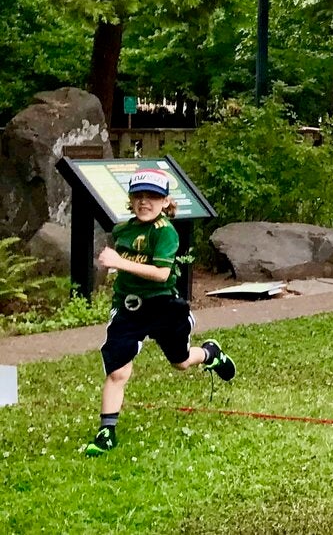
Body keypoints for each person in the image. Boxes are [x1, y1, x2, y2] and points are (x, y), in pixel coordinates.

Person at [84, 169, 236, 457]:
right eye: (139, 196)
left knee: (179, 362)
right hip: (129, 307)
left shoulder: (166, 232)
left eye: (153, 197)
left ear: (165, 201)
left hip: (163, 306)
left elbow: (161, 273)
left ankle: (210, 354)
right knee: (118, 370)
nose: (145, 202)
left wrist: (120, 262)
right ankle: (107, 432)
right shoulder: (123, 230)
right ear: (130, 200)